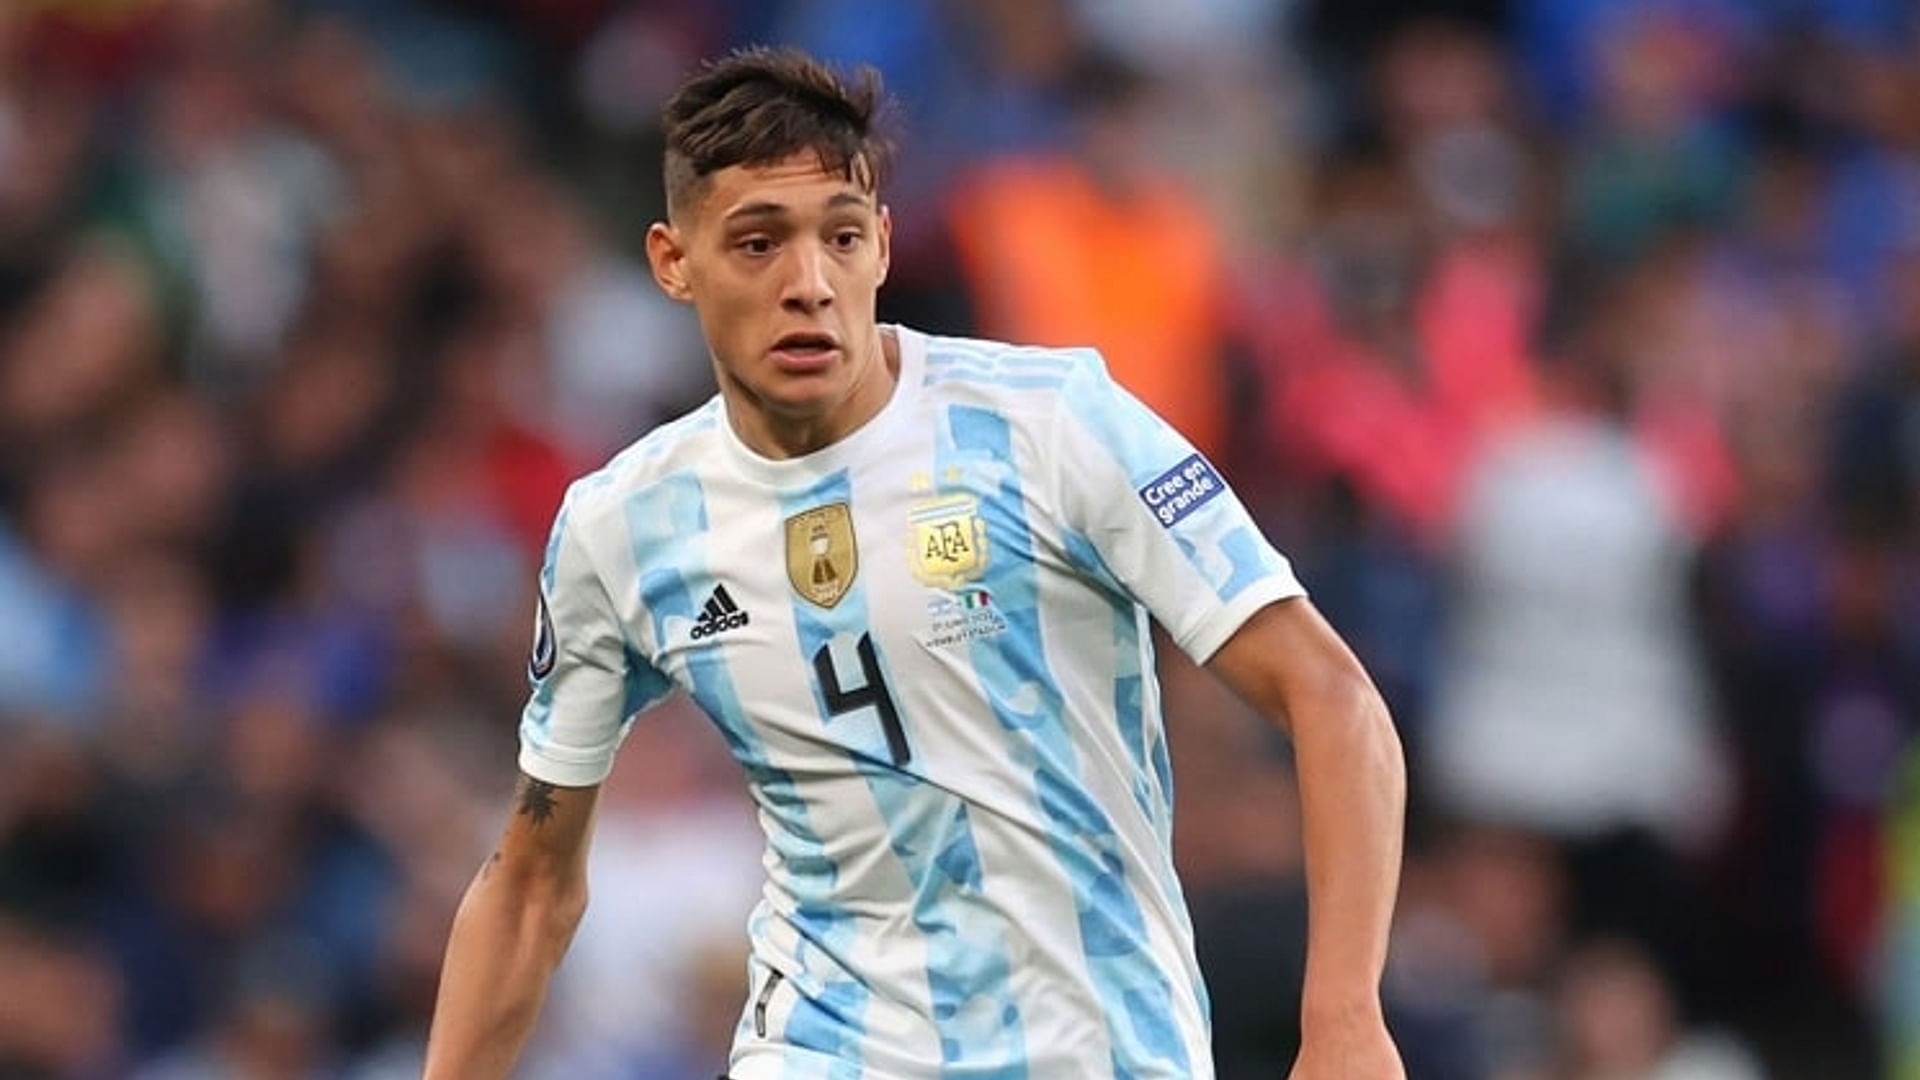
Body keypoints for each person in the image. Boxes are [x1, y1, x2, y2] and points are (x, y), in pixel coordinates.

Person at [420, 46, 1407, 1080]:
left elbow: (1331, 696)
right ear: (674, 262)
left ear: (883, 246)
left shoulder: (1052, 425)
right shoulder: (625, 527)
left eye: (841, 236)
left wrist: (1345, 1015)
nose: (809, 284)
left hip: (1097, 1052)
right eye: (758, 243)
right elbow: (529, 885)